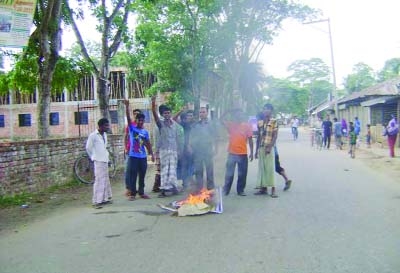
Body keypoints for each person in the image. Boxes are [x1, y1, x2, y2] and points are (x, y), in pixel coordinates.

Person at [124, 100, 154, 200]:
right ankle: (132, 194)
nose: (140, 122)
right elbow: (128, 118)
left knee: (142, 175)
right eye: (139, 120)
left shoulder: (145, 132)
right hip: (133, 156)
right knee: (133, 175)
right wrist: (127, 107)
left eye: (142, 120)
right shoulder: (132, 129)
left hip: (143, 157)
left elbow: (148, 143)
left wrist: (152, 154)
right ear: (136, 120)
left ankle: (141, 192)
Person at [151, 96, 180, 197]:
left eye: (168, 113)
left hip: (173, 150)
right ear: (162, 115)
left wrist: (180, 110)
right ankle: (163, 190)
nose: (167, 114)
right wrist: (153, 105)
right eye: (165, 113)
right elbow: (155, 116)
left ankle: (174, 187)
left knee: (173, 169)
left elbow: (176, 137)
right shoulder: (160, 124)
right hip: (164, 150)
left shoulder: (174, 124)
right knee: (164, 170)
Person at [221, 108, 254, 196]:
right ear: (235, 116)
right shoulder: (231, 125)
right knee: (229, 173)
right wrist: (227, 111)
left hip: (243, 154)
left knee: (242, 174)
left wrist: (252, 152)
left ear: (242, 116)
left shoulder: (247, 126)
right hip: (232, 153)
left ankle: (240, 190)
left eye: (241, 115)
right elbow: (221, 120)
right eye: (237, 115)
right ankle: (226, 190)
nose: (239, 116)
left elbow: (250, 140)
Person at [85, 118, 112, 209]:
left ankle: (104, 199)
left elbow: (105, 148)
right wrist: (93, 157)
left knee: (105, 180)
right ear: (100, 126)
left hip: (105, 160)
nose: (107, 127)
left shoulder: (104, 135)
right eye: (106, 125)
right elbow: (88, 148)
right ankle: (96, 201)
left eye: (108, 125)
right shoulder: (93, 135)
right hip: (98, 160)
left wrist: (108, 159)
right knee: (99, 180)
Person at [190, 106, 217, 192]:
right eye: (200, 112)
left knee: (209, 170)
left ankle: (210, 188)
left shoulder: (211, 124)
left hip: (208, 149)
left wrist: (215, 148)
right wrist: (190, 146)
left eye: (203, 112)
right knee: (198, 170)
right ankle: (200, 188)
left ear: (207, 113)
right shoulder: (195, 125)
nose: (202, 114)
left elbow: (215, 137)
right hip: (198, 150)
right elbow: (191, 136)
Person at [254, 103, 278, 197]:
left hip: (269, 147)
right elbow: (259, 136)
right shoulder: (260, 122)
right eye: (264, 109)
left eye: (268, 109)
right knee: (262, 168)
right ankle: (263, 189)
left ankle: (273, 190)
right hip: (261, 147)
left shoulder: (274, 121)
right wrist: (256, 150)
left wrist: (270, 147)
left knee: (270, 168)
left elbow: (275, 135)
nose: (266, 111)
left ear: (271, 111)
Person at [124, 108, 142, 197]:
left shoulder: (141, 126)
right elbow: (126, 136)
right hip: (130, 151)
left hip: (138, 152)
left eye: (137, 114)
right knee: (128, 170)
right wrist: (125, 148)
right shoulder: (130, 125)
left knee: (137, 171)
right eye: (134, 114)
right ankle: (128, 188)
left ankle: (135, 188)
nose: (135, 115)